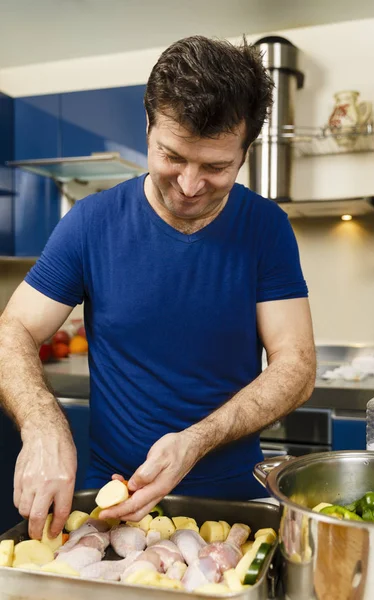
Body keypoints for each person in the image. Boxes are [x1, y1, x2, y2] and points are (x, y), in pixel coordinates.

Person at [0, 36, 316, 540]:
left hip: (233, 506)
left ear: (244, 152)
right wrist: (42, 423)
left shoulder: (266, 227)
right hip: (112, 503)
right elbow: (13, 327)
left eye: (215, 167)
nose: (190, 185)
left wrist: (195, 440)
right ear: (147, 127)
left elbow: (296, 365)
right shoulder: (90, 223)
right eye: (172, 156)